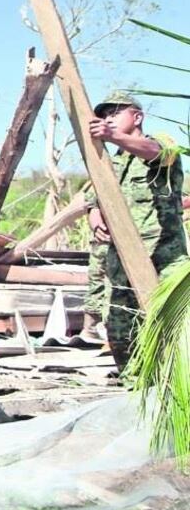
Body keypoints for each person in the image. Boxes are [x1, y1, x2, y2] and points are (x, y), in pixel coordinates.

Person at [86, 91, 187, 370]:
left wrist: (113, 136)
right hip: (122, 264)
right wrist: (94, 215)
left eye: (116, 113)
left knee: (175, 327)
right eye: (104, 115)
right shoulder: (110, 162)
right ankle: (135, 389)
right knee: (121, 331)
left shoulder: (160, 142)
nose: (109, 118)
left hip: (164, 258)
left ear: (137, 116)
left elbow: (159, 154)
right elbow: (94, 199)